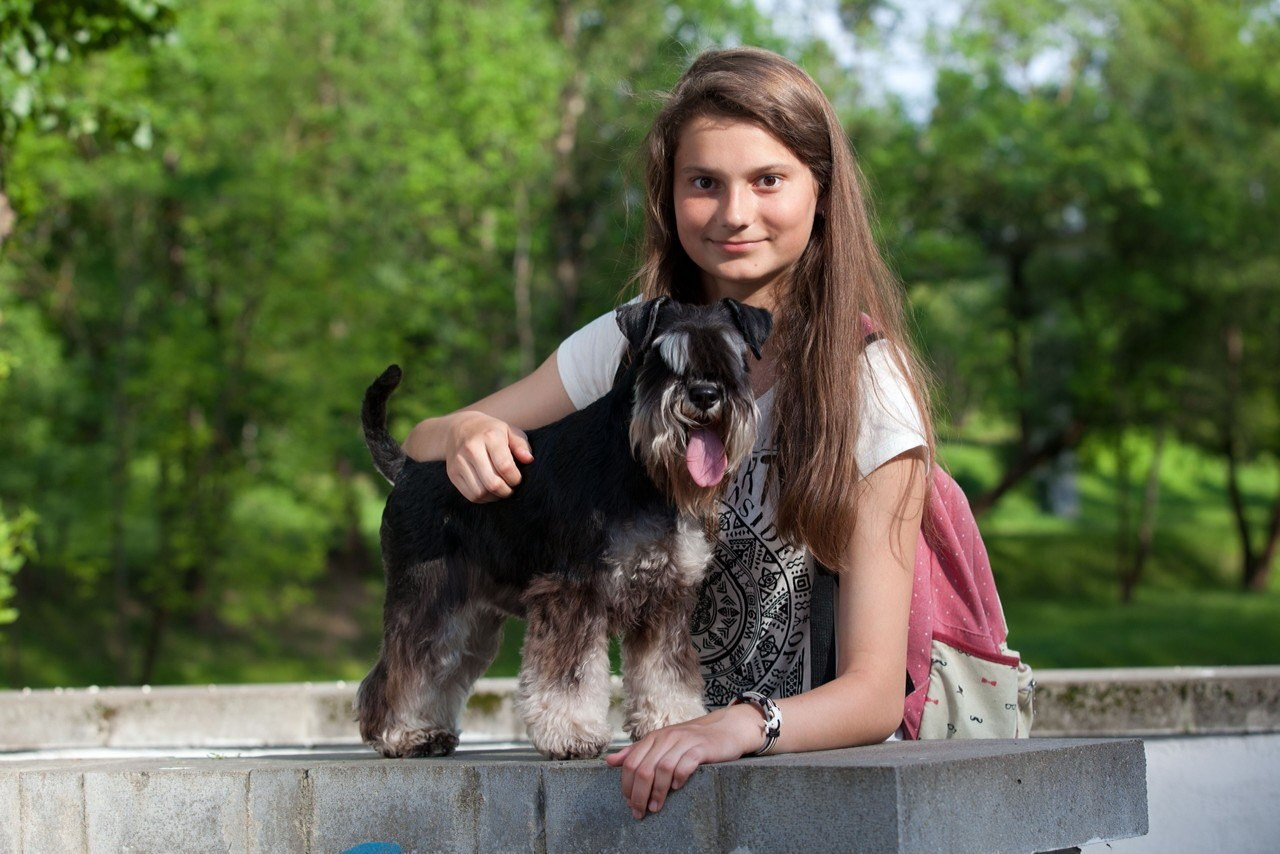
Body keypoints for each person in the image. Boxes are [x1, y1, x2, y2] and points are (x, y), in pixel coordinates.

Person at [401, 46, 934, 820]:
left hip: (805, 787)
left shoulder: (869, 388)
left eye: (768, 179)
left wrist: (736, 727)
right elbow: (421, 444)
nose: (734, 213)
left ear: (820, 190)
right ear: (668, 195)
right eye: (703, 183)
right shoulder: (627, 344)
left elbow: (875, 694)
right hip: (644, 780)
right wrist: (467, 432)